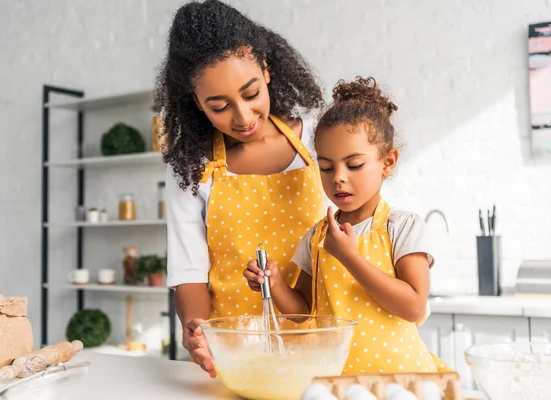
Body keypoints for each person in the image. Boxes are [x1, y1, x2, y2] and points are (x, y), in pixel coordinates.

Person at [156, 0, 326, 377]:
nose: (243, 117)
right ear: (197, 104)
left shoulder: (318, 141)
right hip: (234, 352)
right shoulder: (190, 167)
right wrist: (197, 329)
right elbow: (189, 268)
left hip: (320, 343)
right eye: (219, 106)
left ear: (266, 68)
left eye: (250, 94)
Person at [245, 77, 453, 374]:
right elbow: (303, 312)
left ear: (388, 162)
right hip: (337, 383)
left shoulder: (403, 227)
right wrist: (274, 283)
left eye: (353, 165)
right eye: (326, 167)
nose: (338, 177)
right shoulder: (317, 237)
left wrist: (349, 257)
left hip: (402, 381)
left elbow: (413, 307)